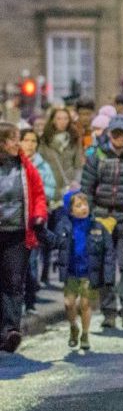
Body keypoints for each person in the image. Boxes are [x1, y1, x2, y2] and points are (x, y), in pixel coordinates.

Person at [80, 115, 123, 329]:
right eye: (115, 132)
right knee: (105, 266)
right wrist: (87, 215)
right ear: (108, 134)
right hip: (102, 216)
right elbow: (86, 188)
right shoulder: (96, 155)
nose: (118, 137)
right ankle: (108, 313)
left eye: (122, 133)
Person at [0, 122, 48, 352]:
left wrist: (39, 216)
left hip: (19, 233)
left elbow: (38, 193)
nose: (17, 143)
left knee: (14, 281)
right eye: (12, 138)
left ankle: (11, 330)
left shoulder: (25, 166)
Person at [56, 191, 110, 350]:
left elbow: (108, 251)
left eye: (85, 204)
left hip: (89, 272)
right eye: (78, 206)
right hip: (71, 272)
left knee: (86, 304)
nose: (84, 208)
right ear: (70, 210)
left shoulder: (97, 226)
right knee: (68, 303)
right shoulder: (64, 225)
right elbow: (56, 242)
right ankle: (73, 326)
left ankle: (85, 334)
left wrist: (107, 274)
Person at [18, 128, 58, 313]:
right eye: (26, 140)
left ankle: (30, 299)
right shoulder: (13, 163)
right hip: (15, 219)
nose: (30, 144)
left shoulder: (42, 166)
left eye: (33, 141)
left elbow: (48, 189)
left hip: (34, 219)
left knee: (32, 262)